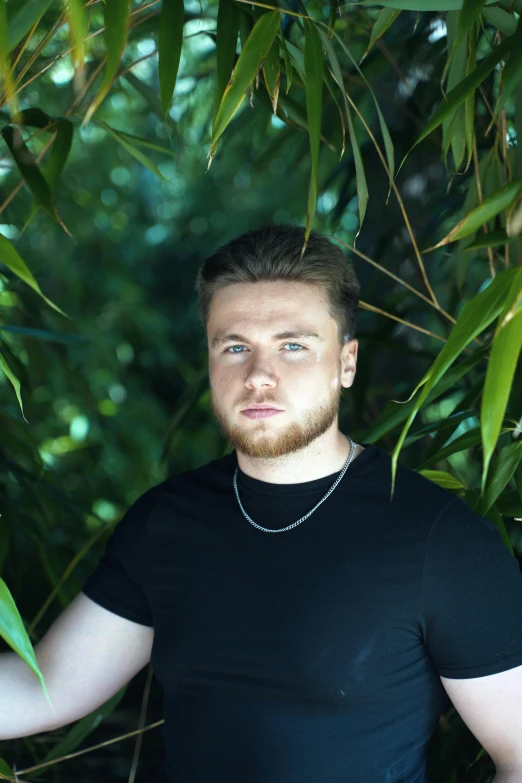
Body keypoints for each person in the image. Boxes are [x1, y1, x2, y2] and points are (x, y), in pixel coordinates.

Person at [1, 223, 522, 782]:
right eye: (235, 347)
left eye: (293, 346)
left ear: (346, 363)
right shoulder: (169, 522)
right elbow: (44, 687)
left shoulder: (439, 539)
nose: (259, 377)